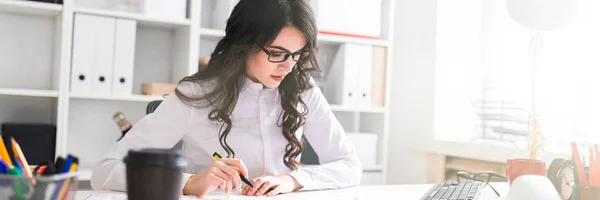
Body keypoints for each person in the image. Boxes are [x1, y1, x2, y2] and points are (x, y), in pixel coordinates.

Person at [90, 0, 362, 197]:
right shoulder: (196, 96)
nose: (288, 66)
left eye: (297, 54)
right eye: (277, 53)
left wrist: (293, 180)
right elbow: (103, 172)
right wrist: (190, 182)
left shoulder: (302, 88)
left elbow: (349, 166)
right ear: (244, 45)